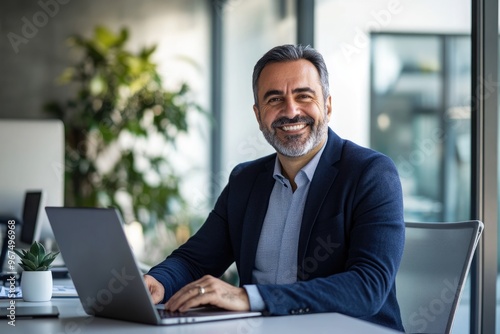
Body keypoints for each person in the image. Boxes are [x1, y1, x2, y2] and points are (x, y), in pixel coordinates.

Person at [144, 44, 405, 331]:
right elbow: (195, 260)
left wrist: (250, 297)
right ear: (258, 115)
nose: (291, 111)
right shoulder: (245, 180)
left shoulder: (371, 174)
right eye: (274, 99)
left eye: (304, 96)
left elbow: (367, 286)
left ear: (327, 106)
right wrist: (157, 282)